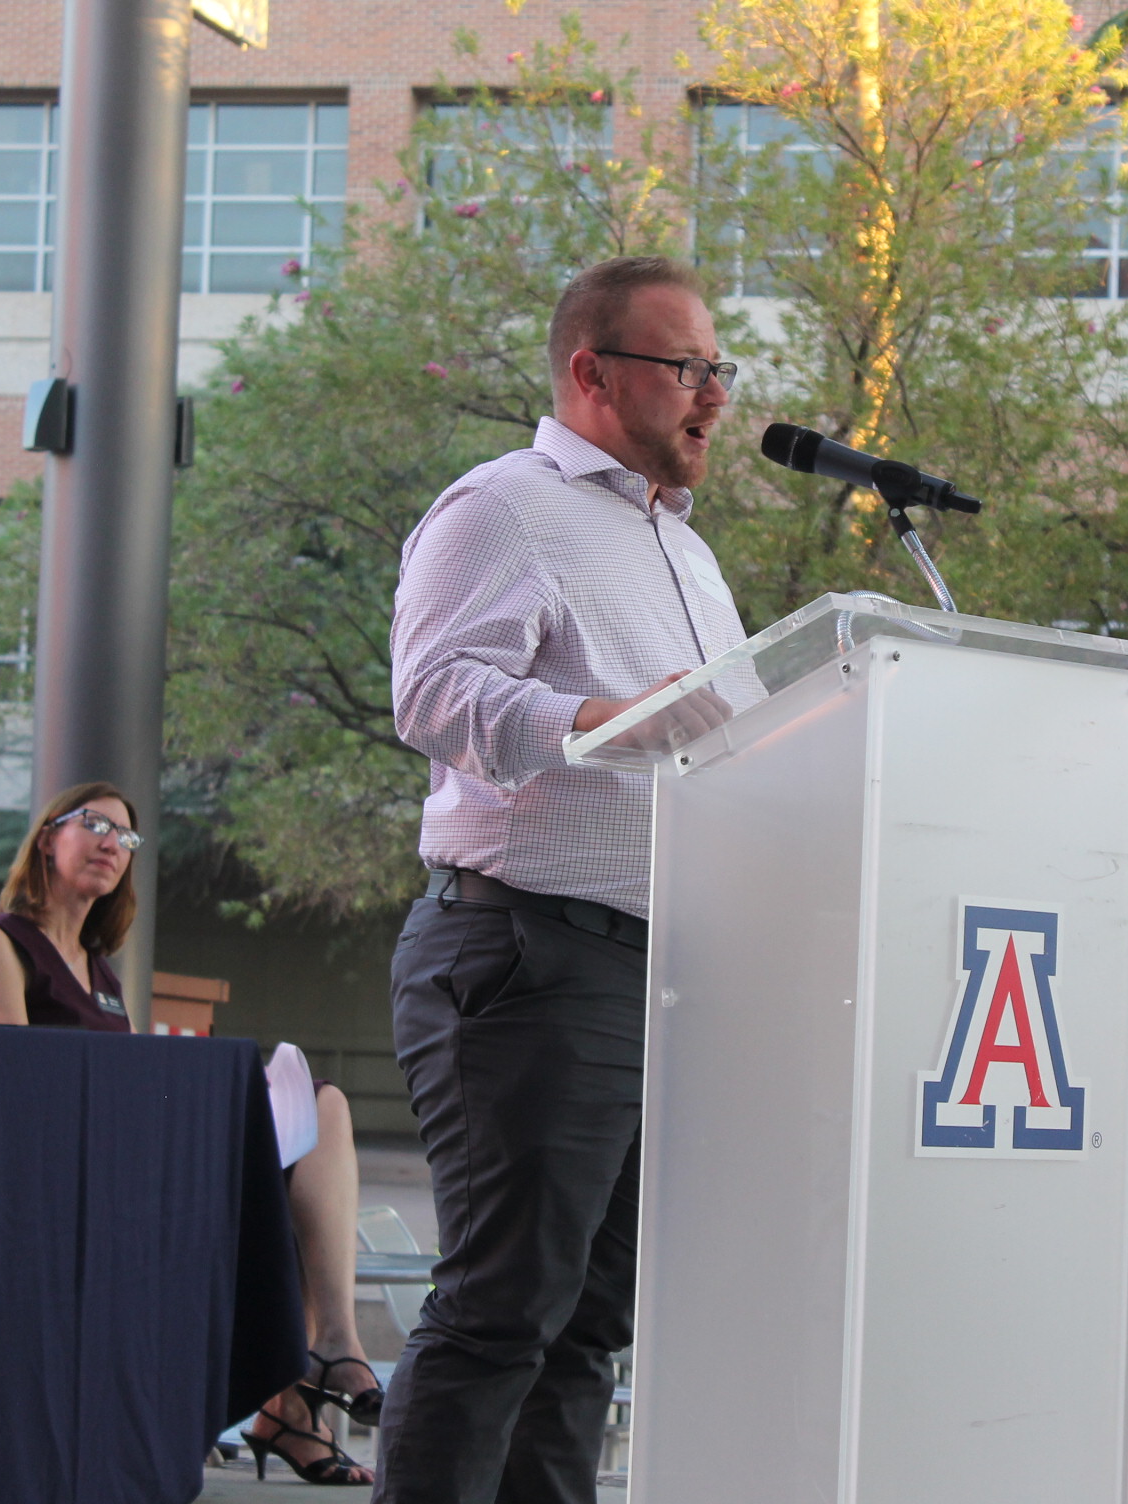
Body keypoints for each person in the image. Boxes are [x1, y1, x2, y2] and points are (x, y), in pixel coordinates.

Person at [376, 256, 745, 1504]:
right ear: (593, 371)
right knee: (500, 1312)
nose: (713, 397)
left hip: (655, 971)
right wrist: (600, 717)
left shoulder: (686, 555)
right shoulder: (502, 506)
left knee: (588, 1325)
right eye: (685, 367)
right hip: (528, 955)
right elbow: (432, 695)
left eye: (718, 371)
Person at [0, 780, 380, 1487]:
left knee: (324, 1110)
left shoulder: (100, 971)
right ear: (47, 839)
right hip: (60, 1179)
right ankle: (292, 1403)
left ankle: (326, 1349)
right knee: (272, 1191)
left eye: (125, 837)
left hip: (126, 1164)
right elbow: (15, 1083)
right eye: (94, 824)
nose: (110, 844)